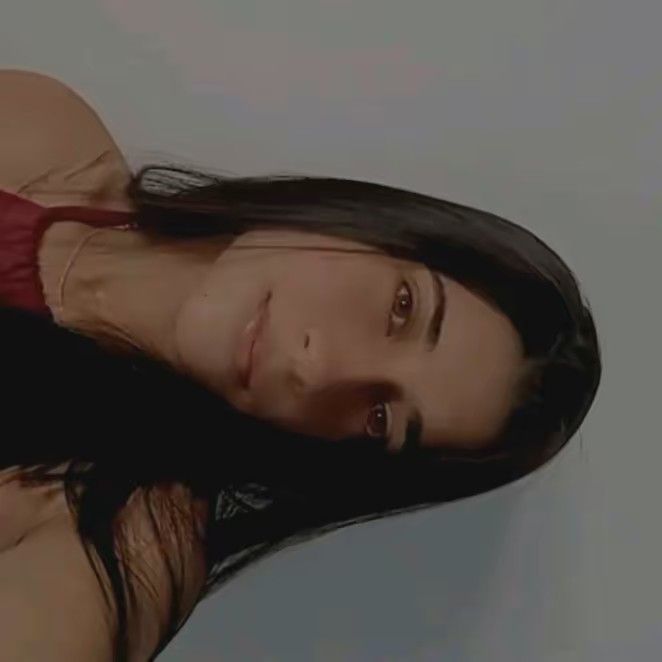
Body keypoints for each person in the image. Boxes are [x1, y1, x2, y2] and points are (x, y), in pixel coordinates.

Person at [0, 70, 602, 661]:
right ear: (372, 225)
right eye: (402, 308)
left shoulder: (127, 535)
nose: (317, 370)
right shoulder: (42, 132)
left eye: (380, 418)